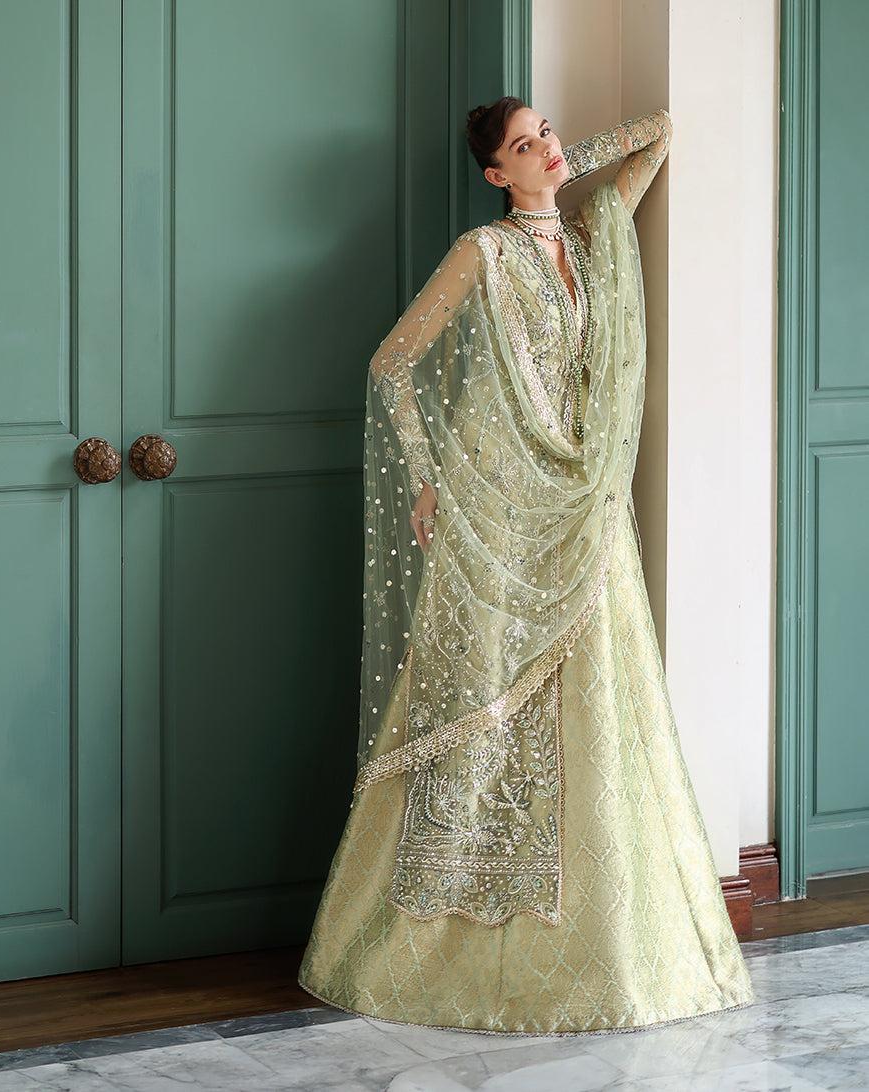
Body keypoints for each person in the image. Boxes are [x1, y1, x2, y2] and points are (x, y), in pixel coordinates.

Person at [298, 97, 754, 1035]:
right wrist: (428, 479)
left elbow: (658, 134)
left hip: (581, 504)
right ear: (494, 175)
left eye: (545, 132)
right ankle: (433, 937)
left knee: (599, 694)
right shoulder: (484, 251)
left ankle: (603, 937)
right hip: (498, 507)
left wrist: (568, 160)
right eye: (523, 145)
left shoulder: (592, 236)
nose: (544, 148)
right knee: (479, 691)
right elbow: (392, 363)